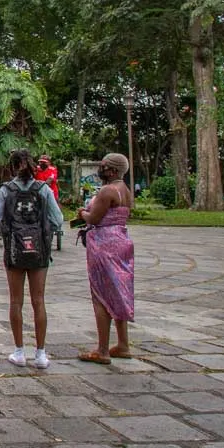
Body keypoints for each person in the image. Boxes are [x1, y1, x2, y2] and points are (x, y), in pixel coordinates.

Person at [0, 149, 63, 369]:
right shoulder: (43, 189)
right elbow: (57, 219)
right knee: (38, 300)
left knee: (16, 300)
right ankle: (40, 353)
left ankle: (19, 351)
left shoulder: (6, 190)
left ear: (12, 167)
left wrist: (8, 234)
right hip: (39, 249)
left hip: (14, 248)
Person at [77, 153, 135, 364]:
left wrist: (82, 213)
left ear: (111, 170)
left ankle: (102, 349)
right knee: (120, 291)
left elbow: (94, 218)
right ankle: (123, 344)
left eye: (102, 166)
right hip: (121, 240)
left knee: (100, 294)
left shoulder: (107, 190)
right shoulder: (126, 191)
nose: (100, 169)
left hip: (104, 244)